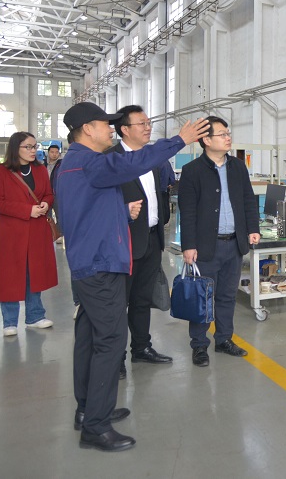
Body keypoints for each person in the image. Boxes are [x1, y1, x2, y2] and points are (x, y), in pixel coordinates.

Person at [53, 102, 208, 452]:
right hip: (100, 265)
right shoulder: (89, 162)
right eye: (104, 124)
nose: (110, 128)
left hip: (89, 261)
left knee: (89, 336)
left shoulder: (73, 164)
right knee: (110, 341)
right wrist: (179, 140)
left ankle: (87, 410)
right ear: (87, 129)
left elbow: (84, 210)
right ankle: (96, 426)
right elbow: (132, 162)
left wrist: (121, 210)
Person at [177, 116, 261, 367]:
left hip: (233, 244)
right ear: (206, 139)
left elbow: (248, 200)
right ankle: (199, 345)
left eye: (228, 133)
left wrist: (252, 228)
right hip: (206, 246)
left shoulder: (238, 167)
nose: (228, 138)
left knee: (227, 296)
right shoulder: (192, 171)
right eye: (222, 134)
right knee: (202, 297)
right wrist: (188, 245)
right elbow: (187, 211)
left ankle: (224, 339)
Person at [110, 106, 176, 371]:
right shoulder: (111, 159)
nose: (148, 127)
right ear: (125, 129)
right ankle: (115, 358)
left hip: (151, 239)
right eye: (142, 123)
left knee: (141, 299)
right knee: (118, 303)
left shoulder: (151, 159)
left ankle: (141, 347)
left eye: (149, 123)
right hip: (124, 241)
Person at [0, 131, 57, 337]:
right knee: (9, 275)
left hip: (36, 230)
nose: (33, 150)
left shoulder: (40, 170)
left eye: (35, 146)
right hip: (11, 232)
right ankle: (9, 321)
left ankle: (35, 316)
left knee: (34, 272)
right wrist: (27, 210)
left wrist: (46, 203)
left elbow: (49, 194)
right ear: (15, 148)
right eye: (28, 147)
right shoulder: (0, 172)